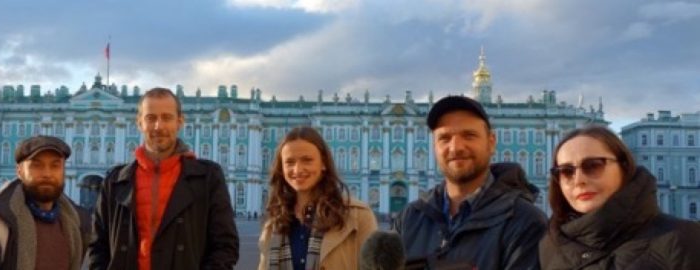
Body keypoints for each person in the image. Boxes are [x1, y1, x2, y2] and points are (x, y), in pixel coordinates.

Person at [88, 87, 239, 270]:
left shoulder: (208, 177)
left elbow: (225, 245)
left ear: (180, 122)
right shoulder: (115, 181)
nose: (159, 126)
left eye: (167, 118)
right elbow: (97, 246)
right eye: (151, 118)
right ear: (139, 123)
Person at [393, 96, 546, 270]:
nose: (456, 147)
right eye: (445, 138)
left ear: (491, 142)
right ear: (434, 147)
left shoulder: (526, 222)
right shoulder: (409, 218)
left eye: (469, 135)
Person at [538, 125, 700, 269]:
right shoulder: (550, 246)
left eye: (594, 165)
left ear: (624, 167)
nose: (579, 180)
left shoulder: (684, 239)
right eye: (566, 171)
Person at [0, 136, 91, 270]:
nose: (47, 173)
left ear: (63, 171)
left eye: (55, 165)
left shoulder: (77, 225)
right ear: (19, 171)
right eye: (36, 165)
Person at [258, 126, 377, 270]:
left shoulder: (359, 216)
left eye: (307, 160)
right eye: (289, 162)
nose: (297, 170)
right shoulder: (274, 224)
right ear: (281, 169)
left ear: (324, 163)